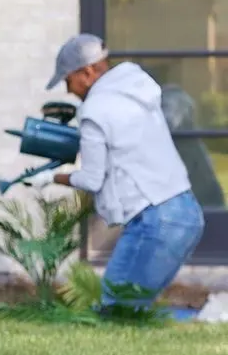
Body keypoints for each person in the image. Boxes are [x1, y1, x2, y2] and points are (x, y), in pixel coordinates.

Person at [47, 33, 204, 310]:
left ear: (87, 71)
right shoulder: (133, 90)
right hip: (186, 213)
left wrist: (50, 177)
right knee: (136, 308)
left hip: (156, 220)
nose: (69, 90)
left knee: (115, 309)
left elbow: (92, 179)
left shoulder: (94, 110)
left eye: (68, 80)